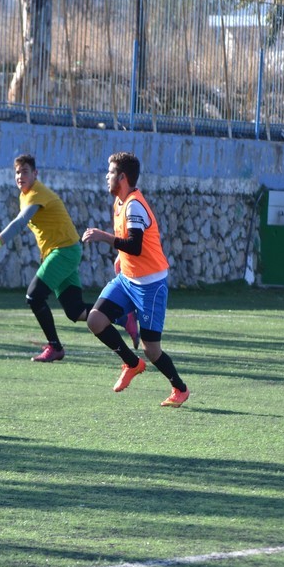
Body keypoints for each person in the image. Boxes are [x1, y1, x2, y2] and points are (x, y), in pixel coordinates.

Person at [0, 154, 138, 362]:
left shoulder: (36, 193)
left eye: (25, 172)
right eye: (17, 172)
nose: (20, 176)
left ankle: (55, 347)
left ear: (35, 173)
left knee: (34, 296)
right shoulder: (25, 195)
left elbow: (20, 222)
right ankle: (122, 315)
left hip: (64, 251)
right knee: (75, 311)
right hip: (63, 251)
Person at [80, 151, 190, 408]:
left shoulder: (134, 205)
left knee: (152, 349)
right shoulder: (119, 202)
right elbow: (127, 242)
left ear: (122, 177)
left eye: (110, 172)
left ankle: (180, 388)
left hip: (150, 285)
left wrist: (103, 237)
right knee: (95, 320)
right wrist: (120, 257)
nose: (106, 176)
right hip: (128, 280)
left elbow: (135, 245)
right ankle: (131, 363)